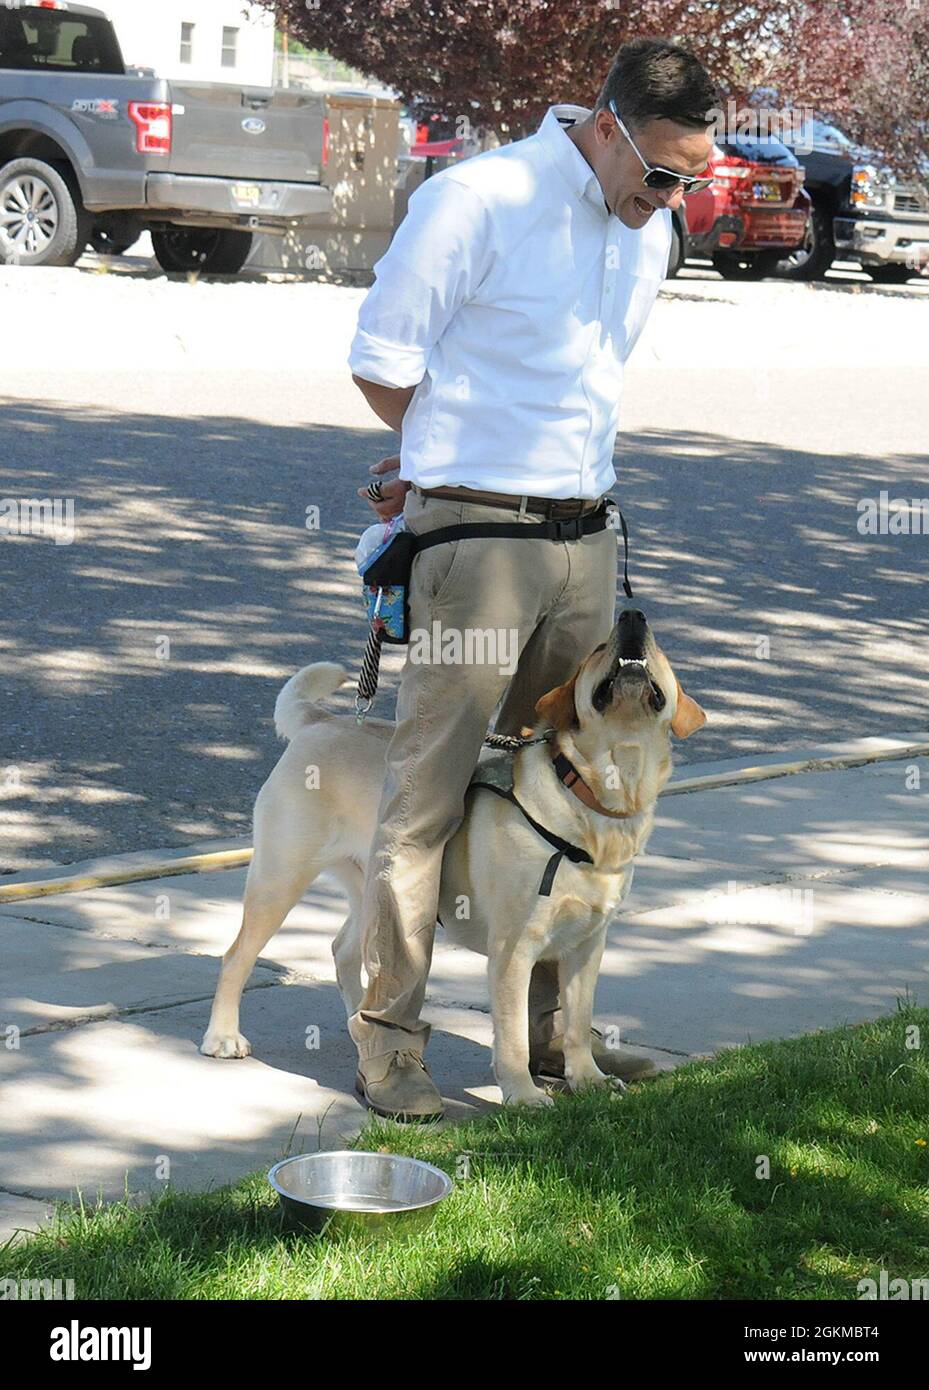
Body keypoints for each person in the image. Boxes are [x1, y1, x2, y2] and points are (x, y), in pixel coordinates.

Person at [347, 38, 718, 1120]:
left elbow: (585, 381)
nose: (671, 199)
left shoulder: (648, 229)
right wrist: (440, 462)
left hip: (588, 537)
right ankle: (390, 1050)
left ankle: (556, 1044)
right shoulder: (479, 198)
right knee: (425, 796)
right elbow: (381, 360)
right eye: (658, 173)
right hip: (478, 541)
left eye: (693, 177)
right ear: (601, 128)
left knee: (570, 781)